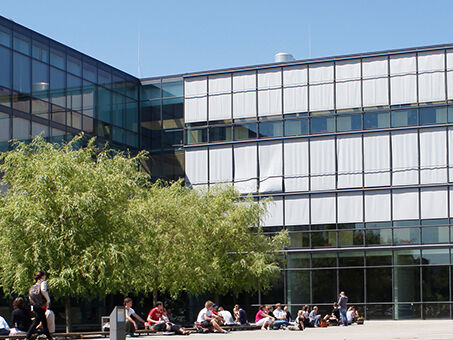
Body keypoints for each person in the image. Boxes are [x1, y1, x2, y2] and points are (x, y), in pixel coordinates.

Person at [26, 271, 52, 340]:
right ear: (43, 276)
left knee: (42, 321)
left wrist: (32, 305)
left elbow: (30, 296)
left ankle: (48, 337)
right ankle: (27, 337)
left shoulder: (34, 285)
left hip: (35, 305)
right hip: (41, 305)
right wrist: (48, 300)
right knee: (38, 321)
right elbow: (43, 291)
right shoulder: (43, 282)